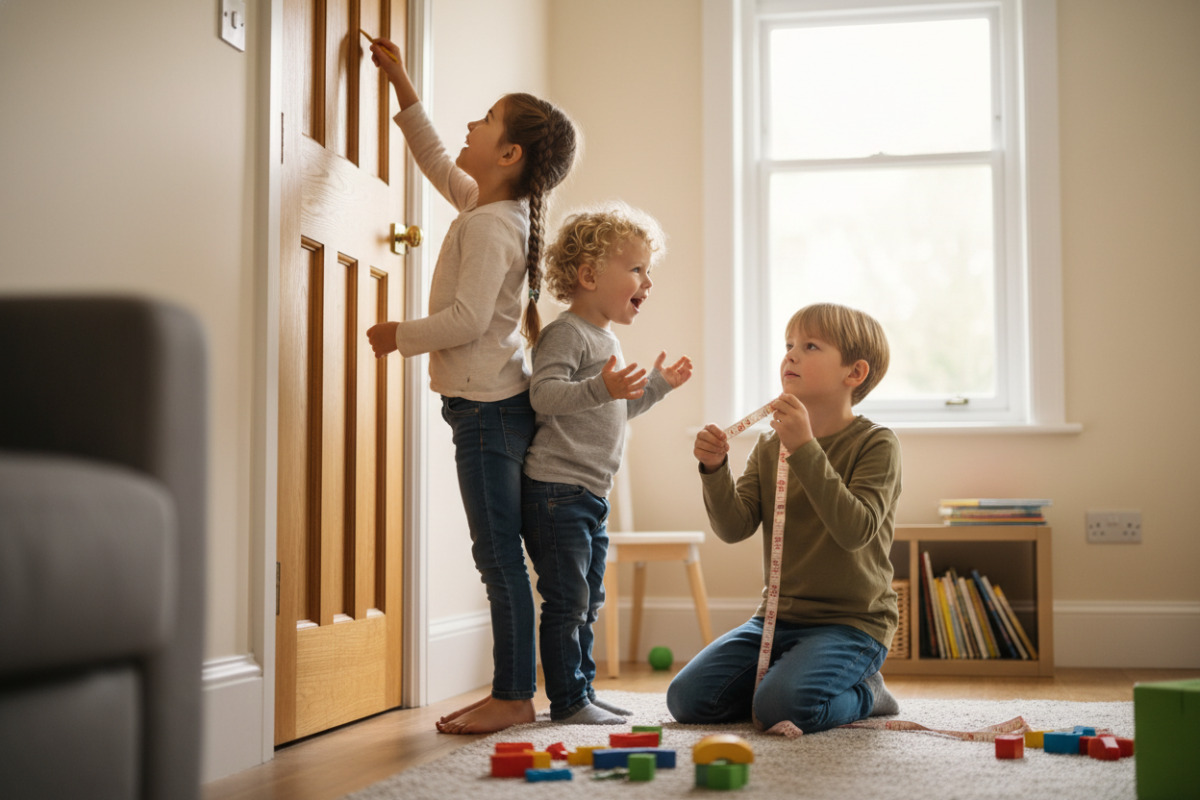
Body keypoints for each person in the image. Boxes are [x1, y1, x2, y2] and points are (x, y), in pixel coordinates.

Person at [364, 38, 578, 735]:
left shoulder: (490, 226)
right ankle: (514, 690)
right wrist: (402, 84)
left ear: (510, 153)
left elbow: (466, 320)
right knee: (501, 556)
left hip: (487, 412)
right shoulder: (489, 209)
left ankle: (513, 695)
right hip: (491, 407)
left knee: (497, 558)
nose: (471, 126)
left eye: (486, 119)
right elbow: (434, 157)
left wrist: (400, 334)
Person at [666, 302, 902, 735]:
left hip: (852, 624)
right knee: (686, 699)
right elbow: (734, 527)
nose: (790, 355)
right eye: (789, 344)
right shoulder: (771, 445)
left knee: (782, 707)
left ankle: (868, 692)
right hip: (776, 619)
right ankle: (792, 682)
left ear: (855, 373)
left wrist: (807, 448)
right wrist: (715, 470)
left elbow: (855, 532)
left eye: (810, 346)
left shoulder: (876, 444)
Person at [521, 203, 692, 724]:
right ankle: (568, 703)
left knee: (588, 600)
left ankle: (583, 693)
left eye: (648, 270)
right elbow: (544, 396)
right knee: (568, 600)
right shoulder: (567, 332)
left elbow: (614, 408)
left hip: (589, 494)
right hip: (557, 489)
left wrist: (656, 387)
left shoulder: (607, 337)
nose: (648, 281)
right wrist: (602, 386)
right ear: (589, 275)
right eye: (637, 269)